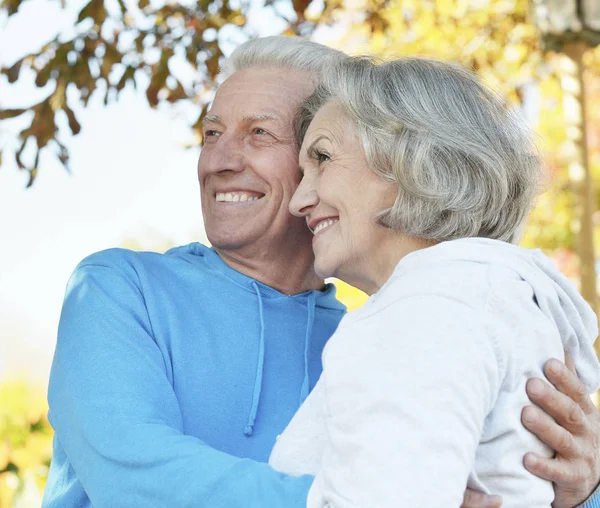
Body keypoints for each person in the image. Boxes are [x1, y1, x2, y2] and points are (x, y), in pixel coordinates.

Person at [42, 37, 600, 508]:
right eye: (212, 133)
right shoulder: (119, 288)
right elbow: (130, 472)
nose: (220, 160)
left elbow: (503, 472)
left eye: (260, 133)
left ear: (384, 160)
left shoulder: (399, 326)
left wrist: (580, 485)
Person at [268, 55, 600, 507]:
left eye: (322, 159)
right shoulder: (482, 296)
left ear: (409, 158)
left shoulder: (433, 305)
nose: (299, 201)